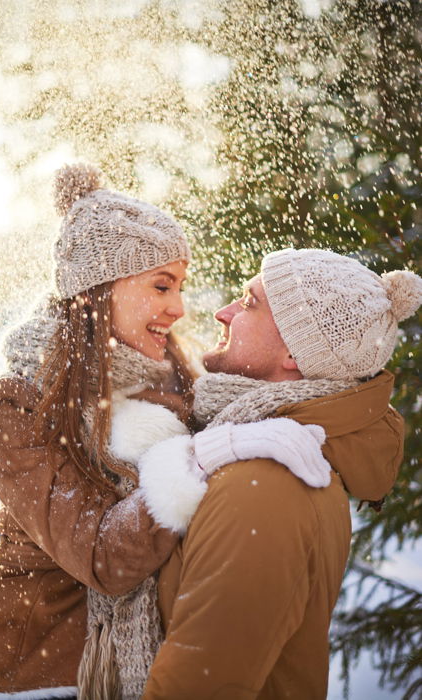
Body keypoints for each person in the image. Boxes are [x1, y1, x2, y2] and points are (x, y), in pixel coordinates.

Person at [0, 167, 330, 700]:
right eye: (161, 285)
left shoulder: (175, 379)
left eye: (180, 286)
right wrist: (201, 457)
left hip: (119, 665)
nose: (177, 308)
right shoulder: (13, 403)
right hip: (19, 667)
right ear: (99, 290)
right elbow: (103, 558)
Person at [139, 248, 422, 700]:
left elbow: (201, 686)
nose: (222, 312)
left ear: (295, 350)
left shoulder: (269, 484)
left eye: (249, 303)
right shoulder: (270, 455)